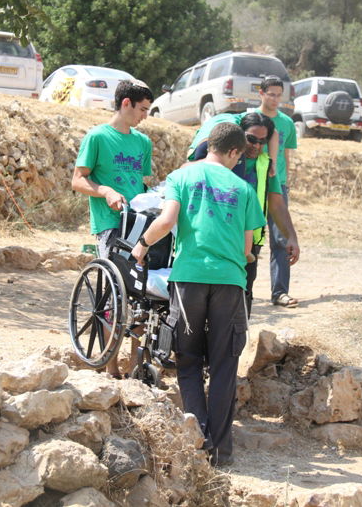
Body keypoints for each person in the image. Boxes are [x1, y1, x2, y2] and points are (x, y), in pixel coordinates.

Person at [131, 122, 265, 466]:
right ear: (234, 152)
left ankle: (197, 439)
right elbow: (248, 247)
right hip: (230, 283)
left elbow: (166, 221)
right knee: (223, 364)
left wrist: (142, 246)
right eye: (239, 157)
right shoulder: (244, 188)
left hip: (189, 278)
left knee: (188, 360)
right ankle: (221, 449)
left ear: (209, 146)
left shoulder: (182, 176)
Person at [71, 79, 154, 377]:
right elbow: (78, 180)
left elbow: (142, 184)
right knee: (115, 294)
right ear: (126, 104)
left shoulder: (143, 143)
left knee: (144, 293)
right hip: (110, 224)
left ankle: (135, 366)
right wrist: (105, 190)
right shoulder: (97, 137)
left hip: (140, 223)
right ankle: (110, 367)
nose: (145, 115)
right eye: (142, 109)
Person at [188, 112, 300, 315]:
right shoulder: (222, 158)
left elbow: (276, 203)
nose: (256, 146)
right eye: (251, 139)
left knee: (240, 304)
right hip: (216, 240)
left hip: (249, 247)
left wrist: (291, 236)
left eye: (262, 141)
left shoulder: (265, 165)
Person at [252, 76, 299, 308]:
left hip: (277, 187)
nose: (275, 99)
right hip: (253, 185)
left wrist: (284, 184)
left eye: (279, 95)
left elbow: (285, 156)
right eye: (271, 94)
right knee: (249, 237)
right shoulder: (249, 119)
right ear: (260, 93)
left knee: (280, 238)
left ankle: (280, 292)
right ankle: (243, 291)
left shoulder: (287, 124)